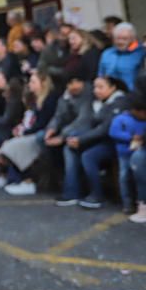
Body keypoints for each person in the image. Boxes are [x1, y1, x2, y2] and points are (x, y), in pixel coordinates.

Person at [59, 76, 128, 208]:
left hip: (113, 142)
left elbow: (104, 129)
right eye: (95, 87)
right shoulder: (94, 102)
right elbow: (86, 123)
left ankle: (97, 195)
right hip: (96, 139)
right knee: (70, 146)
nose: (97, 90)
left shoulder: (119, 102)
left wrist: (81, 139)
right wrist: (72, 137)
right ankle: (72, 191)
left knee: (89, 156)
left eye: (101, 87)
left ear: (113, 88)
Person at [108, 93, 146, 215]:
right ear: (135, 110)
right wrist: (130, 137)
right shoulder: (121, 119)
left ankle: (139, 201)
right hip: (124, 153)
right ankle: (127, 203)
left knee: (139, 179)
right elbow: (113, 133)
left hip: (139, 152)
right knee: (124, 177)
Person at [97, 22, 145, 91]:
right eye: (117, 38)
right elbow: (100, 75)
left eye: (124, 39)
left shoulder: (141, 53)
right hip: (110, 95)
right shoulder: (107, 53)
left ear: (133, 39)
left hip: (132, 95)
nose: (120, 42)